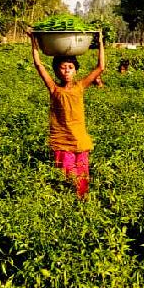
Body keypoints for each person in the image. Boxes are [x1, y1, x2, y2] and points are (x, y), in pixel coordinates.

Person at [30, 32, 105, 198]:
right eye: (62, 68)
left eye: (70, 68)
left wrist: (100, 41)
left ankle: (82, 202)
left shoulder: (80, 86)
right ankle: (68, 202)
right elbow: (38, 65)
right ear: (56, 71)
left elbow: (100, 67)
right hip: (62, 141)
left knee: (83, 175)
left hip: (80, 139)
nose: (66, 71)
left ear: (76, 70)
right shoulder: (54, 89)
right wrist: (33, 40)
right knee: (67, 176)